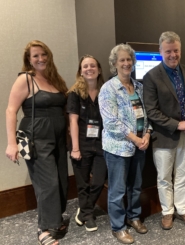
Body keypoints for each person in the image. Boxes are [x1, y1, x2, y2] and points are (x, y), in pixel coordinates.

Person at [5, 40, 68, 245]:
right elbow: (11, 110)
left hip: (58, 137)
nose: (41, 59)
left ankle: (56, 220)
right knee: (46, 184)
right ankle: (43, 228)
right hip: (37, 137)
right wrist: (11, 143)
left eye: (44, 54)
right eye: (35, 56)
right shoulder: (26, 79)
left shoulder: (54, 79)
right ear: (29, 60)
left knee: (59, 180)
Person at [143, 31, 185, 230]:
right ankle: (167, 212)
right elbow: (151, 111)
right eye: (168, 51)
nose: (173, 55)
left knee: (184, 174)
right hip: (164, 136)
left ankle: (183, 209)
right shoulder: (151, 77)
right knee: (164, 177)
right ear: (160, 52)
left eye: (176, 51)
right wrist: (176, 124)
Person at [99, 44, 152, 244]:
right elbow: (111, 122)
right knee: (117, 190)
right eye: (122, 60)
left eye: (129, 59)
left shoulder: (139, 87)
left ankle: (134, 216)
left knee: (136, 186)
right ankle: (118, 227)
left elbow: (147, 116)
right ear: (114, 64)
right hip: (118, 148)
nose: (126, 63)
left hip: (140, 145)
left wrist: (147, 134)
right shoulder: (108, 88)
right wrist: (136, 139)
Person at [67, 55, 107, 232]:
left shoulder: (106, 91)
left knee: (98, 181)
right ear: (80, 71)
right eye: (85, 66)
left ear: (98, 69)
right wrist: (75, 148)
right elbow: (73, 122)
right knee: (83, 183)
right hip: (81, 143)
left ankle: (83, 209)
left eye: (92, 65)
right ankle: (88, 215)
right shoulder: (74, 94)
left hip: (101, 143)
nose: (89, 68)